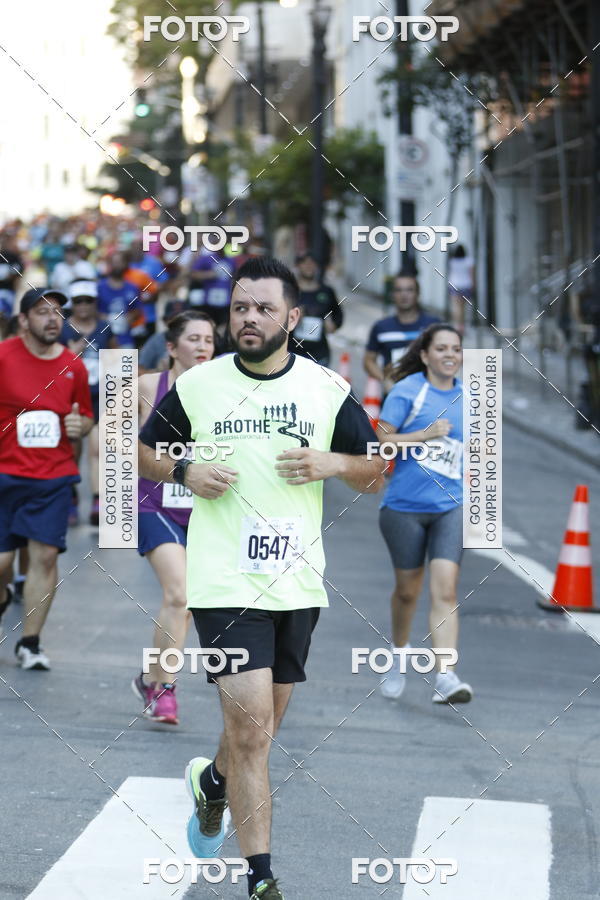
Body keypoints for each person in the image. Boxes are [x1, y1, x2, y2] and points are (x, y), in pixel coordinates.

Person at [138, 256, 384, 900]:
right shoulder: (199, 386)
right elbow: (141, 450)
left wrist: (333, 461)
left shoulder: (326, 389)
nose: (248, 319)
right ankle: (261, 877)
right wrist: (184, 472)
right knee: (250, 732)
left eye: (264, 309)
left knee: (260, 730)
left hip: (296, 583)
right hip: (221, 581)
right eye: (240, 308)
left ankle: (212, 783)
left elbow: (375, 467)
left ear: (292, 318)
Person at [375, 323, 472, 705]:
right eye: (442, 348)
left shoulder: (471, 398)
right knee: (407, 591)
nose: (450, 354)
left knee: (445, 588)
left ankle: (445, 675)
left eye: (457, 349)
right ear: (427, 355)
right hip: (403, 509)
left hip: (451, 507)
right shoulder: (408, 392)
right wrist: (424, 435)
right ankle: (398, 655)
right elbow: (381, 439)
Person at [0, 288, 93, 668]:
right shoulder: (3, 356)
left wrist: (80, 425)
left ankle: (31, 642)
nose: (53, 319)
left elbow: (86, 417)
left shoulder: (75, 365)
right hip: (4, 474)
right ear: (24, 320)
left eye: (58, 312)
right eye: (42, 312)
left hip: (52, 477)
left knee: (44, 558)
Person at [133, 311, 216, 725]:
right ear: (171, 347)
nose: (203, 347)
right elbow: (113, 440)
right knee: (179, 594)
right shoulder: (148, 386)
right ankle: (165, 690)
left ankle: (150, 677)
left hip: (203, 510)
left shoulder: (223, 392)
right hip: (152, 503)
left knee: (184, 607)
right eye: (193, 339)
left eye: (209, 340)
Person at [59, 280, 118, 525]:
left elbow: (116, 357)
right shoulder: (62, 330)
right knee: (73, 449)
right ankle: (71, 496)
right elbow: (49, 364)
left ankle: (97, 500)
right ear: (73, 304)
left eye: (88, 300)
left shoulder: (104, 327)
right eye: (79, 301)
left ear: (95, 303)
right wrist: (70, 356)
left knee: (98, 447)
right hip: (69, 398)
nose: (83, 306)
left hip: (99, 396)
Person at [364, 273, 439, 394]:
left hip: (428, 396)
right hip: (394, 395)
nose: (404, 295)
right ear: (393, 295)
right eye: (399, 290)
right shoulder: (381, 327)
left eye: (409, 290)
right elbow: (368, 361)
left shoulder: (433, 326)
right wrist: (384, 379)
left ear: (418, 294)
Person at [289, 251, 343, 366]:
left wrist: (333, 325)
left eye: (312, 263)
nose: (309, 266)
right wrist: (293, 318)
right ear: (298, 266)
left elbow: (338, 314)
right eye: (305, 263)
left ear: (317, 267)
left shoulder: (326, 291)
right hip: (292, 352)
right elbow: (276, 318)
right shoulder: (289, 291)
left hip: (319, 352)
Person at [97, 251, 141, 348]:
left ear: (126, 265)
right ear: (109, 265)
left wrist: (128, 318)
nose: (117, 265)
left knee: (126, 363)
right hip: (103, 340)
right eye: (114, 262)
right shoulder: (99, 287)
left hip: (125, 339)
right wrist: (107, 318)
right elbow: (92, 310)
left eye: (120, 262)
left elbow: (137, 310)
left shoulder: (132, 288)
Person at [187, 246, 235, 328]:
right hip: (209, 300)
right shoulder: (206, 259)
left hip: (225, 300)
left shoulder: (231, 260)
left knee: (224, 326)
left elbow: (234, 277)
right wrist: (208, 275)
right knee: (209, 325)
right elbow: (193, 274)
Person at [138, 300, 190, 373]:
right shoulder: (157, 340)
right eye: (174, 319)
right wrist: (159, 373)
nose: (179, 323)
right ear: (165, 321)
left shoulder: (200, 340)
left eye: (183, 319)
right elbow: (139, 370)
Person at [448, 244, 474, 334]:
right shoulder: (469, 261)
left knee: (456, 307)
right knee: (464, 308)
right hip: (466, 285)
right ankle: (463, 326)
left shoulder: (452, 261)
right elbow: (472, 274)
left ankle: (457, 325)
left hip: (455, 284)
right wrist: (473, 285)